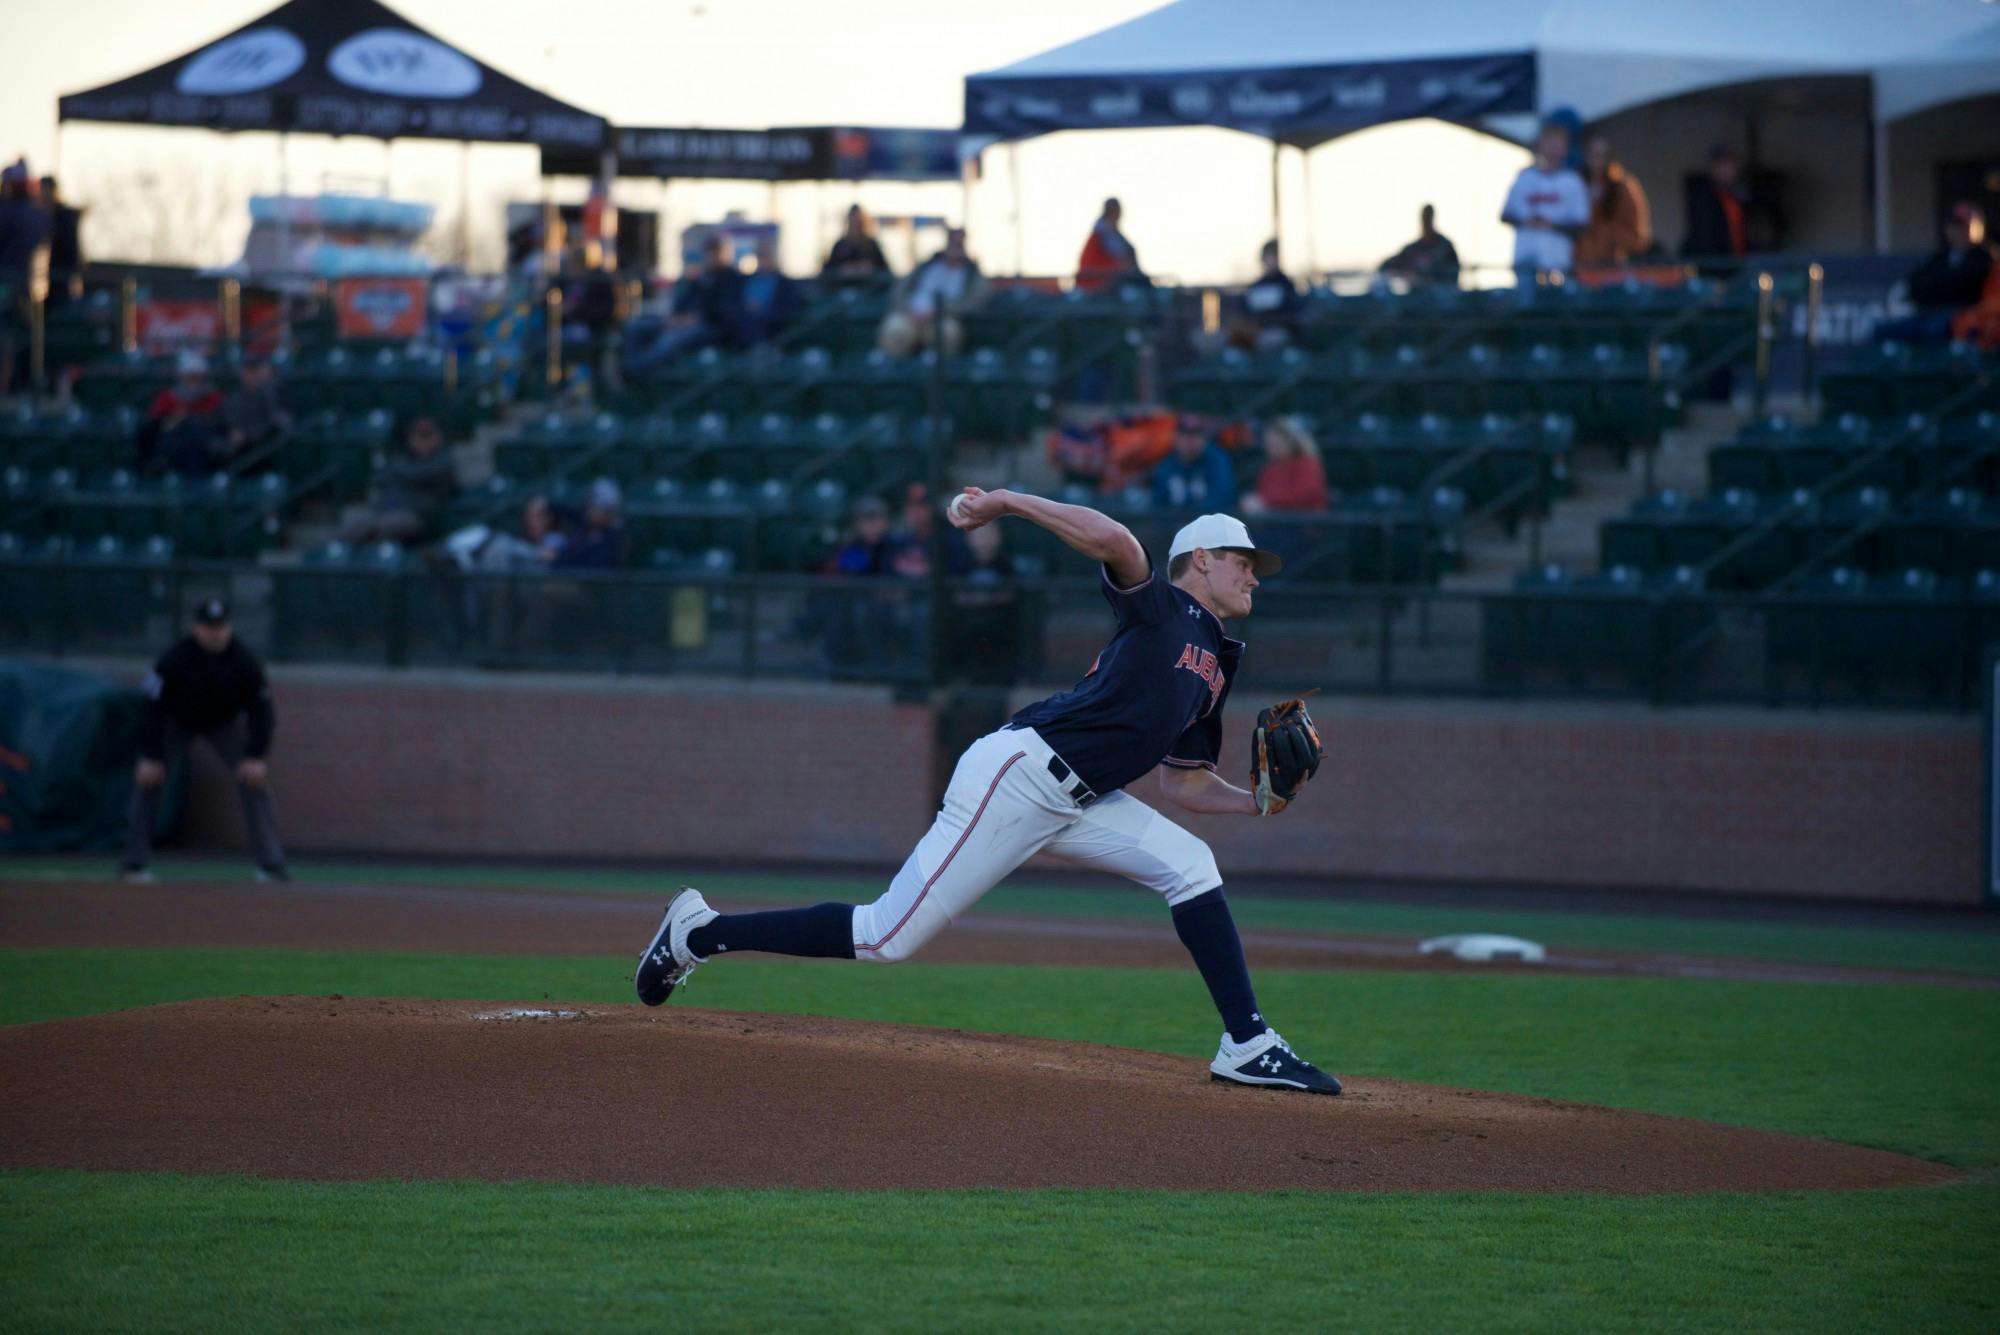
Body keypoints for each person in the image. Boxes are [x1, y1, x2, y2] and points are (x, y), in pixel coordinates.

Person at [634, 496, 1343, 1095]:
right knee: (885, 935)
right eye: (1240, 559)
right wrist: (1005, 502)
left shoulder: (1216, 666)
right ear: (1199, 563)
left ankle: (1247, 1044)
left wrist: (1255, 799)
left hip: (1082, 800)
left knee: (1191, 865)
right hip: (1021, 773)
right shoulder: (1161, 609)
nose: (1253, 573)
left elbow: (1180, 781)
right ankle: (698, 930)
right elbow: (1116, 540)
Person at [120, 598, 288, 884]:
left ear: (230, 627)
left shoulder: (245, 661)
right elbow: (149, 704)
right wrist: (150, 754)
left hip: (223, 724)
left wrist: (256, 755)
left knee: (254, 780)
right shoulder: (173, 658)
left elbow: (262, 711)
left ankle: (271, 865)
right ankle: (134, 863)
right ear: (196, 628)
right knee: (149, 781)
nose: (215, 633)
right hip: (177, 722)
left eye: (221, 626)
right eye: (209, 626)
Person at [1875, 202, 1993, 346]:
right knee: (1883, 330)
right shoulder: (1939, 259)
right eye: (1955, 226)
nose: (1960, 231)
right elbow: (1916, 285)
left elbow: (1964, 288)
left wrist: (1942, 286)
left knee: (1935, 330)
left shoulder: (1986, 260)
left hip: (1964, 319)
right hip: (1931, 315)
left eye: (1965, 226)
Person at [626, 233, 745, 374]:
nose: (713, 256)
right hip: (681, 321)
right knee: (636, 326)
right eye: (710, 251)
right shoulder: (703, 277)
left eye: (716, 251)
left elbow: (726, 310)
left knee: (669, 339)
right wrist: (676, 317)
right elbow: (685, 300)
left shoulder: (734, 279)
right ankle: (630, 370)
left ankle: (638, 373)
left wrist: (695, 318)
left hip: (711, 327)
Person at [338, 415, 456, 547]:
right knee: (355, 520)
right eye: (419, 436)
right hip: (385, 509)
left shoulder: (443, 460)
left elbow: (418, 474)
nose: (423, 441)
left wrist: (398, 472)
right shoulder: (403, 458)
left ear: (438, 437)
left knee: (377, 529)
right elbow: (379, 478)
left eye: (428, 435)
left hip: (417, 516)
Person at [878, 228, 988, 359]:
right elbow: (900, 289)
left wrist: (941, 312)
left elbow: (975, 302)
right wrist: (907, 309)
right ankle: (891, 373)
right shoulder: (927, 266)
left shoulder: (972, 274)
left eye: (959, 245)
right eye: (952, 243)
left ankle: (941, 374)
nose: (955, 249)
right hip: (910, 315)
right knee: (895, 329)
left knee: (948, 333)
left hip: (945, 317)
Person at [1501, 122, 1589, 275]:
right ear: (1540, 146)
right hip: (1525, 256)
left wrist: (1551, 225)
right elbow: (1505, 215)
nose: (1552, 151)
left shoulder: (1572, 182)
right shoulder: (1524, 177)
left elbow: (1581, 224)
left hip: (1557, 260)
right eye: (1549, 144)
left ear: (1565, 149)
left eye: (1557, 146)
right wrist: (1526, 221)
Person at [0, 163, 50, 396]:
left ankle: (10, 388)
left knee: (9, 339)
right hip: (32, 288)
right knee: (23, 339)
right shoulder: (39, 212)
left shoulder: (10, 212)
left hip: (11, 285)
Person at [136, 351, 225, 475]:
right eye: (189, 376)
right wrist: (174, 419)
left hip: (203, 449)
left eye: (196, 376)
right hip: (173, 445)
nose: (193, 381)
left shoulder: (214, 397)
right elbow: (155, 423)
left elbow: (219, 422)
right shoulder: (167, 397)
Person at [1574, 135, 1652, 268]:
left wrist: (1610, 236)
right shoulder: (1575, 185)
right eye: (1593, 154)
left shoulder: (1624, 187)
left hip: (1612, 265)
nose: (1597, 160)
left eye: (1602, 155)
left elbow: (1638, 237)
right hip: (1580, 264)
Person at [1150, 416, 1238, 512]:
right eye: (1185, 435)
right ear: (1177, 437)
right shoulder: (1167, 466)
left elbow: (1222, 496)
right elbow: (1158, 503)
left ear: (1203, 438)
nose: (1190, 440)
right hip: (1174, 523)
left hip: (1209, 522)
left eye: (1195, 435)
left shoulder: (1216, 461)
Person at [1243, 417, 1327, 514]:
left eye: (1277, 443)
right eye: (1269, 443)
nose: (1272, 447)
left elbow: (1305, 494)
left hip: (1302, 523)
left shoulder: (1307, 465)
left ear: (1291, 442)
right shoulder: (1269, 470)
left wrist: (1265, 501)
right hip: (1274, 523)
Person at [1682, 145, 1748, 267]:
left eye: (1729, 165)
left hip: (1739, 265)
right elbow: (1704, 238)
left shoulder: (1739, 198)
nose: (1725, 170)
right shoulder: (1703, 198)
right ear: (1712, 168)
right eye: (1720, 165)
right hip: (1713, 267)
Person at [218, 358, 292, 466]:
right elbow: (228, 417)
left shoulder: (269, 394)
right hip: (238, 445)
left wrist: (247, 434)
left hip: (261, 444)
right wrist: (234, 429)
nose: (252, 376)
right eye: (248, 372)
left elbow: (273, 420)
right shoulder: (235, 396)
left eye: (254, 372)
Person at [740, 237, 804, 346]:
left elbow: (790, 310)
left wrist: (763, 312)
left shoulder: (786, 284)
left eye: (766, 255)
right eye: (760, 255)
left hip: (773, 329)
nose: (762, 259)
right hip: (745, 327)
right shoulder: (744, 280)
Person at [1239, 240, 1303, 349]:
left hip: (1278, 330)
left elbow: (1291, 311)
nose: (1270, 261)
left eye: (1273, 256)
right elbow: (1245, 310)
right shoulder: (1256, 286)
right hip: (1256, 330)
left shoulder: (1286, 285)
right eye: (1267, 257)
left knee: (1271, 339)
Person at [1381, 205, 1460, 286]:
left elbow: (1454, 271)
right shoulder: (1413, 249)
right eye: (1424, 218)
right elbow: (1388, 265)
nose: (1425, 221)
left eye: (1428, 217)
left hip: (1440, 292)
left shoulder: (1444, 246)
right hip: (1418, 293)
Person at [1076, 197, 1143, 292]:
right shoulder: (1104, 230)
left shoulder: (1104, 229)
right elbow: (1122, 257)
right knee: (1141, 284)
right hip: (1098, 280)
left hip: (1103, 277)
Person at [37, 176, 80, 309]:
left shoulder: (65, 216)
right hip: (40, 279)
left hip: (61, 277)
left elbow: (72, 250)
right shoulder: (38, 215)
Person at [821, 205, 891, 286]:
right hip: (843, 290)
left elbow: (885, 270)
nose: (855, 224)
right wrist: (843, 270)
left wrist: (870, 269)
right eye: (853, 220)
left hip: (869, 290)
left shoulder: (871, 245)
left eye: (858, 221)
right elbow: (828, 271)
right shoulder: (840, 246)